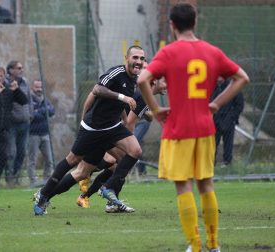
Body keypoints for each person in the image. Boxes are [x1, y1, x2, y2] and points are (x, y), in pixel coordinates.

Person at [137, 3, 250, 252]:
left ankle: (196, 245)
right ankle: (213, 244)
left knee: (183, 185)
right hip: (205, 127)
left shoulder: (168, 53)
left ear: (172, 25)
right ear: (195, 22)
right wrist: (216, 104)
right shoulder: (212, 51)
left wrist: (155, 109)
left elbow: (143, 79)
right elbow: (242, 77)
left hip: (178, 129)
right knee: (206, 184)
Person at [33, 45, 145, 216]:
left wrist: (123, 117)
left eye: (141, 59)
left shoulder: (135, 80)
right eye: (135, 58)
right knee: (74, 163)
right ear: (127, 59)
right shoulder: (117, 73)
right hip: (93, 128)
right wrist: (86, 118)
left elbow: (120, 104)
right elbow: (97, 90)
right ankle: (44, 194)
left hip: (112, 128)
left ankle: (108, 189)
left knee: (135, 151)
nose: (138, 62)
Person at [75, 77, 167, 212]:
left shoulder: (144, 96)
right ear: (155, 82)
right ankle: (91, 181)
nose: (167, 85)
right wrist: (129, 143)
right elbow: (129, 122)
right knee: (123, 161)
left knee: (115, 166)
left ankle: (88, 194)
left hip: (108, 129)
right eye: (165, 82)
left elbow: (135, 111)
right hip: (110, 131)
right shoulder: (142, 95)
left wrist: (149, 114)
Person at [6, 60, 32, 185]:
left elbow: (29, 100)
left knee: (22, 152)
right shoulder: (6, 83)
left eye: (21, 68)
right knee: (11, 152)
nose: (21, 70)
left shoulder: (25, 82)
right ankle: (9, 177)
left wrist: (30, 115)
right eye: (18, 68)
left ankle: (16, 176)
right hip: (12, 123)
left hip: (25, 122)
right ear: (11, 70)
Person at [27, 80, 55, 187]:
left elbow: (52, 111)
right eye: (37, 87)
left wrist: (40, 111)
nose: (39, 89)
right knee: (32, 159)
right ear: (32, 88)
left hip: (45, 134)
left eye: (41, 87)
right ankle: (33, 181)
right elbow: (33, 115)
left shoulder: (45, 99)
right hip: (33, 134)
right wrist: (44, 112)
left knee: (49, 159)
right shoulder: (29, 100)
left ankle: (47, 180)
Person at [212, 78, 244, 166]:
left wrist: (231, 118)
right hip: (215, 120)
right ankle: (211, 164)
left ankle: (227, 164)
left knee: (228, 144)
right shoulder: (212, 87)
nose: (218, 78)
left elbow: (239, 105)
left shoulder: (233, 88)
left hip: (229, 120)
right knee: (213, 144)